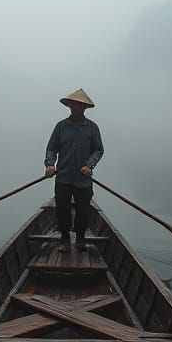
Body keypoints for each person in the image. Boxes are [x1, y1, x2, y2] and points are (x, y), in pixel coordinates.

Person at [44, 88, 104, 251]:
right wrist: (50, 165)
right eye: (73, 105)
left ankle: (80, 238)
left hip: (83, 179)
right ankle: (64, 238)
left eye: (79, 106)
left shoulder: (92, 128)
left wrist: (89, 165)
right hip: (63, 177)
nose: (75, 108)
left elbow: (98, 150)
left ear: (84, 108)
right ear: (69, 106)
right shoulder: (61, 127)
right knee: (62, 209)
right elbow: (52, 148)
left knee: (84, 211)